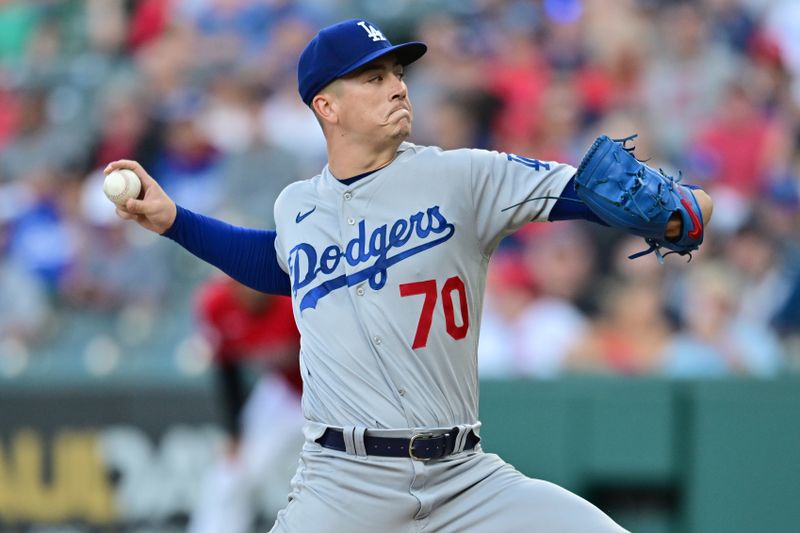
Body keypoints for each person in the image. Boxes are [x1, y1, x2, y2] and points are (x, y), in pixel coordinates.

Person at [106, 19, 713, 532]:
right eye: (374, 78)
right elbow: (278, 263)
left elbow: (596, 197)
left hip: (465, 479)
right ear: (327, 105)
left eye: (398, 74)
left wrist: (683, 206)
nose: (398, 88)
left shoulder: (463, 177)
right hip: (341, 485)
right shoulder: (297, 205)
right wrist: (174, 221)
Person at [188, 276, 303, 533]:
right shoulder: (218, 304)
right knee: (231, 473)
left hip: (330, 397)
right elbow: (227, 369)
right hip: (284, 392)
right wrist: (234, 431)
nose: (251, 286)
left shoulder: (293, 301)